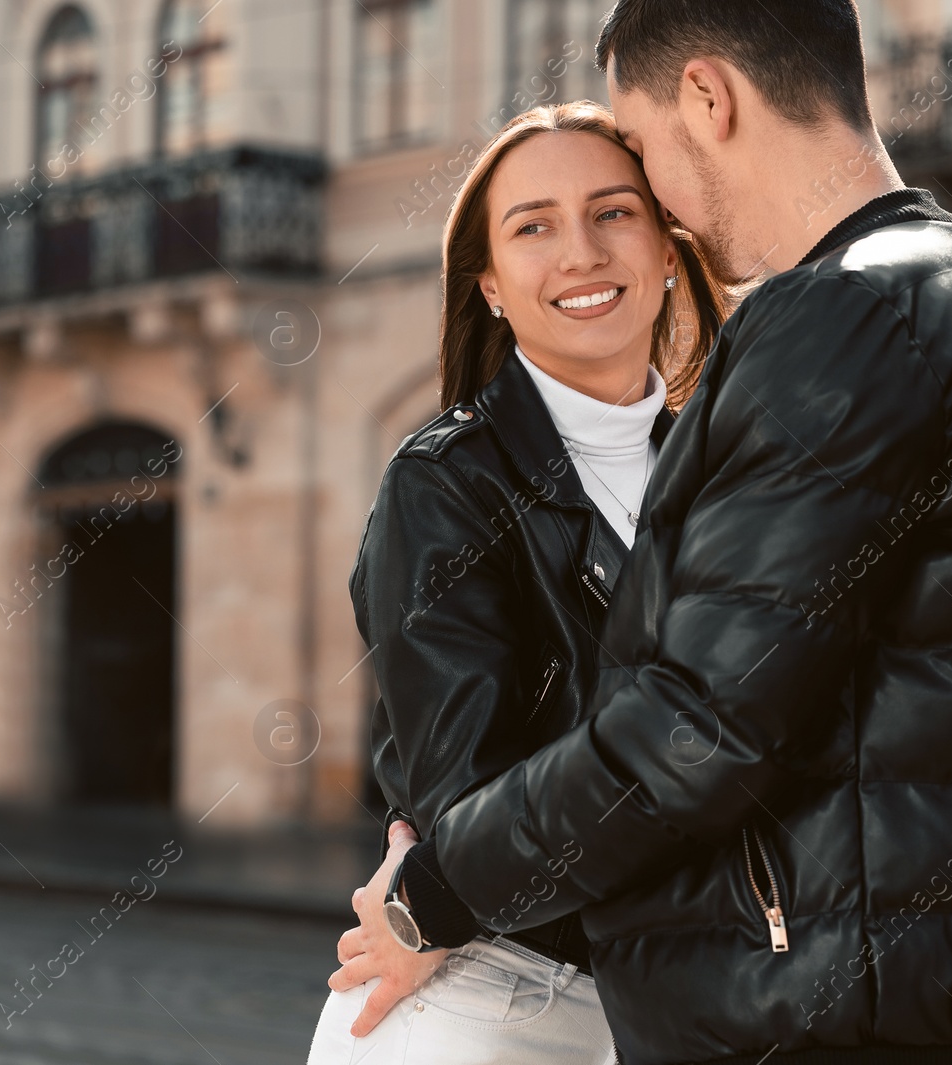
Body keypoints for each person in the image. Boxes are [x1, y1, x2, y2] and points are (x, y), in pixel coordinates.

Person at [334, 3, 952, 1064]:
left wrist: (434, 891)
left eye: (639, 158)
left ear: (709, 97)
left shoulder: (838, 315)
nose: (655, 201)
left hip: (840, 1016)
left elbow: (700, 722)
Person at [305, 101, 727, 1064]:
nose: (579, 252)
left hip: (671, 1008)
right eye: (532, 226)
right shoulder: (446, 481)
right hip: (488, 1000)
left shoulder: (730, 475)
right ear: (490, 284)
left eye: (614, 212)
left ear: (668, 250)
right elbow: (468, 806)